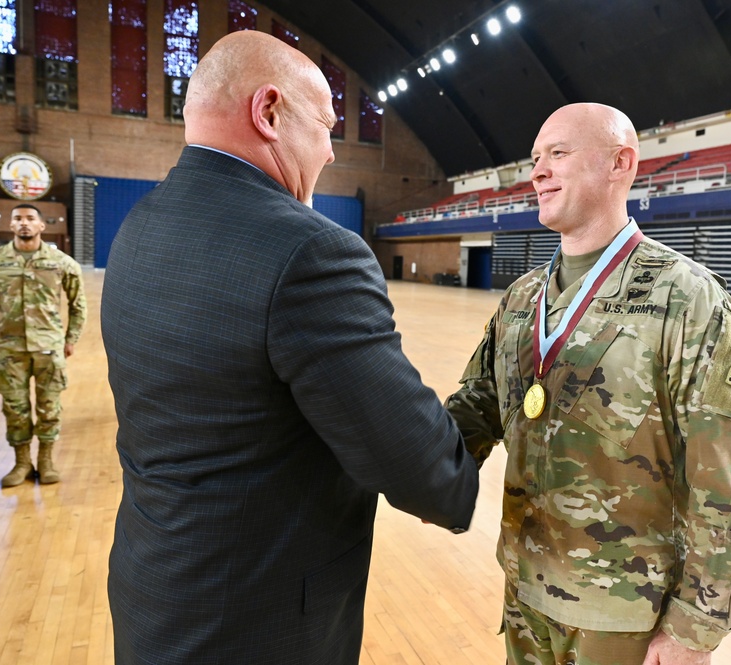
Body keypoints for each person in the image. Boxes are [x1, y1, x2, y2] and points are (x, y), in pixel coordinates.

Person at [100, 30, 478, 665]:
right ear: (268, 112)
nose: (330, 152)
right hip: (257, 625)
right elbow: (424, 472)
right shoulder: (308, 252)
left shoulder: (141, 226)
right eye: (326, 126)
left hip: (154, 594)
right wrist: (491, 407)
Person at [445, 103, 731, 665]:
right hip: (526, 594)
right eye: (534, 159)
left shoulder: (687, 298)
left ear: (620, 163)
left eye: (558, 154)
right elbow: (470, 416)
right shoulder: (523, 299)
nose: (538, 171)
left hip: (627, 616)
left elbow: (729, 479)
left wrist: (693, 630)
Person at [0, 203, 86, 487]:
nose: (24, 223)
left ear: (41, 226)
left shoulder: (62, 263)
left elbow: (78, 304)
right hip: (9, 349)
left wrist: (70, 338)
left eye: (30, 218)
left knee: (50, 408)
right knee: (15, 408)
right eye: (18, 219)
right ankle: (22, 463)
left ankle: (46, 461)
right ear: (10, 225)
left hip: (49, 347)